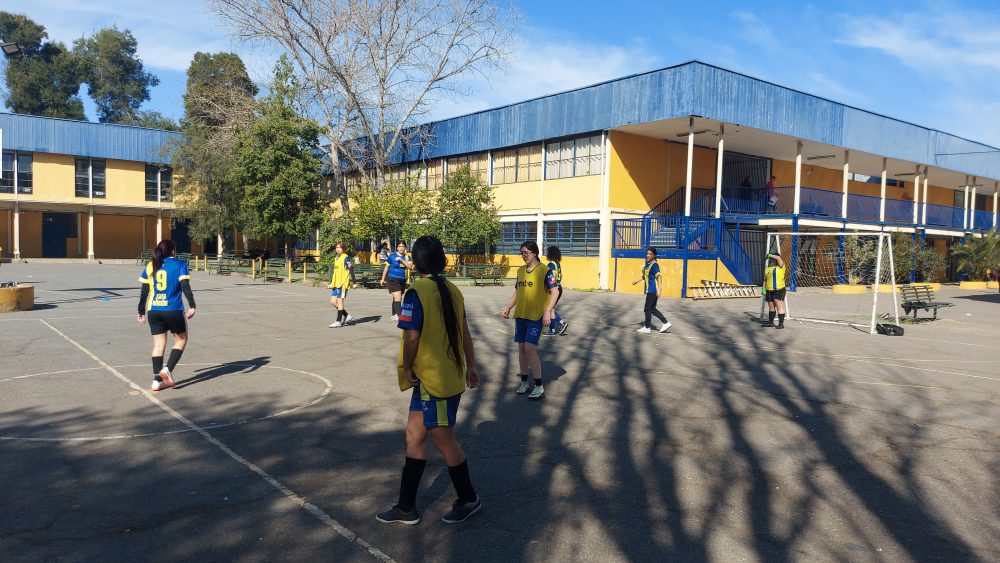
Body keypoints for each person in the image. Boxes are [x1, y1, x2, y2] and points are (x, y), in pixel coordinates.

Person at [376, 235, 482, 525]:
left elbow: (412, 337)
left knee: (443, 439)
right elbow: (465, 334)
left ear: (417, 261)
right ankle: (406, 506)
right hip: (437, 377)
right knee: (414, 434)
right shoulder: (452, 289)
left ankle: (469, 497)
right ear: (441, 260)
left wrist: (407, 366)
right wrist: (471, 367)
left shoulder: (416, 292)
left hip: (434, 380)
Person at [501, 241, 560, 400]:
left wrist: (548, 310)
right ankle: (525, 382)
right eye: (522, 253)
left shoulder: (545, 271)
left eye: (526, 252)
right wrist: (508, 307)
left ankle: (539, 386)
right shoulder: (520, 271)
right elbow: (517, 292)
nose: (523, 256)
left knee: (529, 349)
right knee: (521, 349)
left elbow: (555, 291)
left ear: (534, 253)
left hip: (536, 316)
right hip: (521, 315)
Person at [137, 240, 196, 391]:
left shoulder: (152, 264)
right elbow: (185, 286)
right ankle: (167, 369)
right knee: (182, 339)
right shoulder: (179, 264)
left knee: (158, 344)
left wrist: (141, 311)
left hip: (154, 310)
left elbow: (144, 290)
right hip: (173, 309)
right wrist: (192, 304)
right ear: (173, 251)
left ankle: (157, 381)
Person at [631, 247, 672, 334]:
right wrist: (636, 281)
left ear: (654, 255)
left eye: (650, 254)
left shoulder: (654, 265)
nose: (648, 255)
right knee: (652, 309)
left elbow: (659, 277)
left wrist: (659, 290)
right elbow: (644, 276)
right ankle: (666, 323)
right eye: (647, 253)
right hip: (650, 290)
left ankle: (647, 327)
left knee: (647, 309)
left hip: (653, 290)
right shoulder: (648, 265)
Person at [381, 241, 415, 321]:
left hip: (402, 279)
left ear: (405, 247)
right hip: (392, 278)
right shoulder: (392, 256)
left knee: (398, 298)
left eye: (403, 246)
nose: (401, 248)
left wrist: (402, 261)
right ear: (397, 248)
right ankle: (401, 316)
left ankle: (394, 314)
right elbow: (386, 268)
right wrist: (383, 278)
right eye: (399, 246)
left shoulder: (407, 257)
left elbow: (410, 267)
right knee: (398, 299)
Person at [328, 242, 358, 328]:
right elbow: (335, 272)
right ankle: (347, 316)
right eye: (337, 247)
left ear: (344, 249)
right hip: (336, 284)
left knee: (339, 302)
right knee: (333, 302)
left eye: (340, 247)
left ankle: (338, 321)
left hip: (343, 284)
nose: (338, 249)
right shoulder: (337, 258)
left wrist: (354, 283)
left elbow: (351, 269)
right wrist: (332, 283)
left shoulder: (346, 258)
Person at [543, 246, 569, 336]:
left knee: (549, 308)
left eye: (547, 252)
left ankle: (562, 323)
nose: (546, 254)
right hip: (559, 287)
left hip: (554, 288)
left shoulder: (551, 264)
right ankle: (552, 331)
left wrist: (549, 286)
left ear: (550, 254)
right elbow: (561, 275)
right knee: (552, 309)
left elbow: (553, 274)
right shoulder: (557, 263)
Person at [762, 252, 787, 329]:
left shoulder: (781, 267)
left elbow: (779, 258)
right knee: (771, 307)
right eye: (771, 259)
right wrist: (763, 288)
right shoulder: (768, 268)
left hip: (778, 290)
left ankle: (781, 324)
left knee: (779, 306)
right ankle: (770, 322)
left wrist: (769, 255)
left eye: (773, 259)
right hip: (769, 290)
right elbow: (765, 280)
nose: (772, 261)